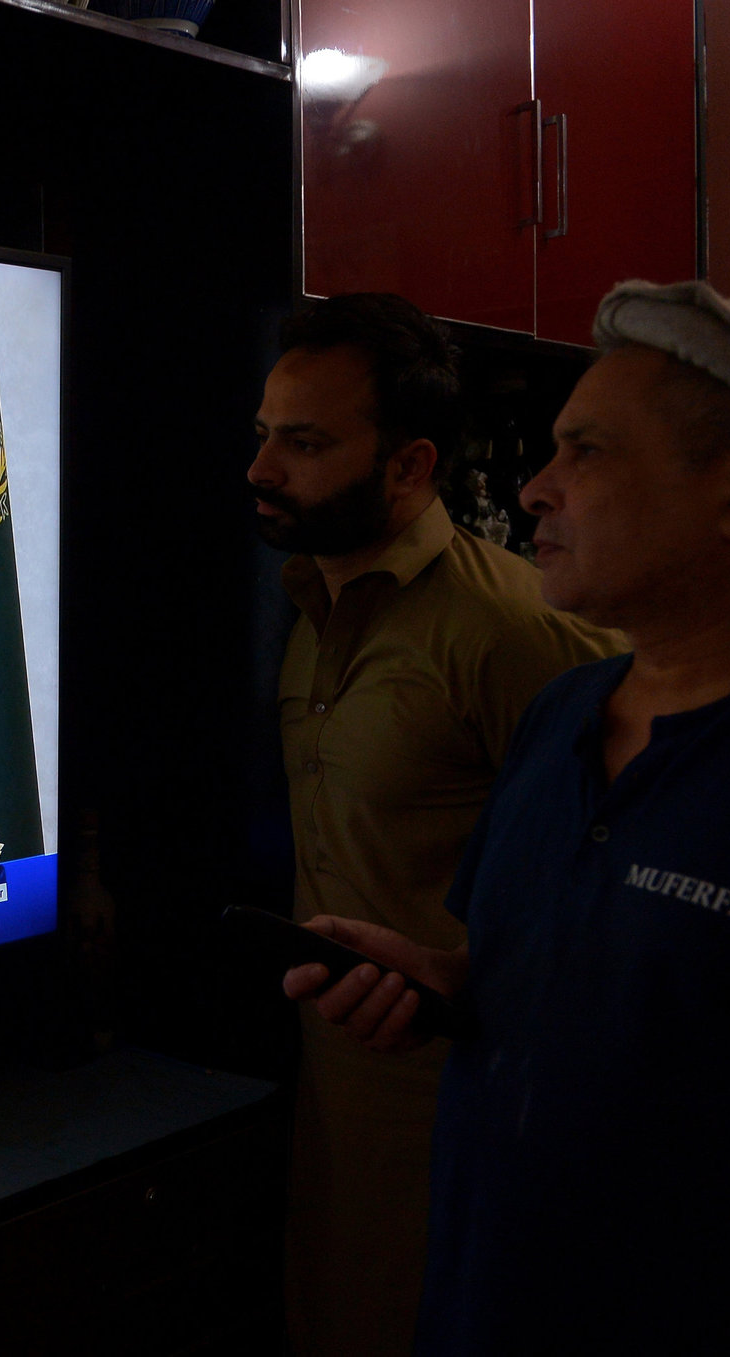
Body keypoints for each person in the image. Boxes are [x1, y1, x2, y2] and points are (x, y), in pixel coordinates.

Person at [286, 281, 730, 1352]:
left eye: (585, 453)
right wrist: (449, 985)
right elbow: (583, 981)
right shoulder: (564, 715)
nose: (535, 489)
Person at [248, 294, 624, 1357]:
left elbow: (613, 896)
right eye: (264, 435)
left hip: (467, 1113)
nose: (261, 469)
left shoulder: (513, 628)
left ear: (410, 465)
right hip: (333, 1100)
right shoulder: (312, 606)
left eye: (304, 444)